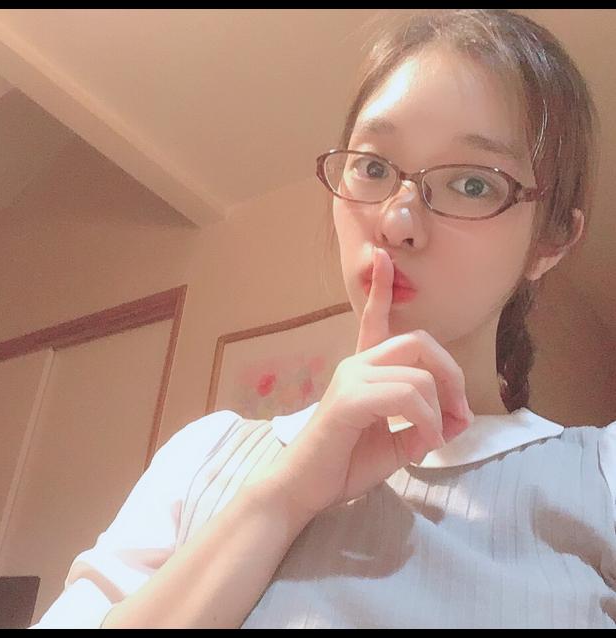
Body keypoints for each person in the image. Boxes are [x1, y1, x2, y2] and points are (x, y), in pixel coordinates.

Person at [31, 9, 616, 629]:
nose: (395, 222)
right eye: (374, 167)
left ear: (551, 240)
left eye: (472, 184)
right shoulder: (203, 454)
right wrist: (282, 497)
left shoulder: (601, 476)